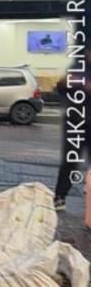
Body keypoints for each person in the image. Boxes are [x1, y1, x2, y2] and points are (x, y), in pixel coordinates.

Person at [54, 56, 89, 212]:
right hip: (76, 122)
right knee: (69, 162)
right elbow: (61, 88)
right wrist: (67, 83)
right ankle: (60, 196)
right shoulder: (78, 67)